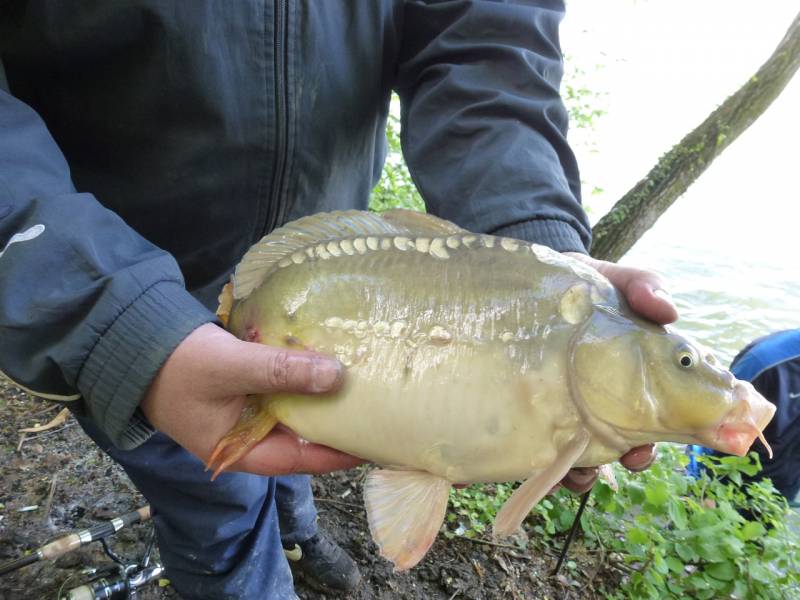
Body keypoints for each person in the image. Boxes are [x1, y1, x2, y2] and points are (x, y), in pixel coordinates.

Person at [0, 3, 676, 598]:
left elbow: (485, 46)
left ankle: (298, 533)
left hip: (331, 279)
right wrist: (117, 323)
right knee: (217, 504)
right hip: (128, 274)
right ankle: (240, 575)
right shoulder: (120, 303)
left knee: (309, 430)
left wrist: (539, 258)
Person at [688, 330, 800, 505]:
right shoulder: (764, 362)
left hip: (783, 486)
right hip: (732, 480)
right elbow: (712, 426)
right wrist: (707, 489)